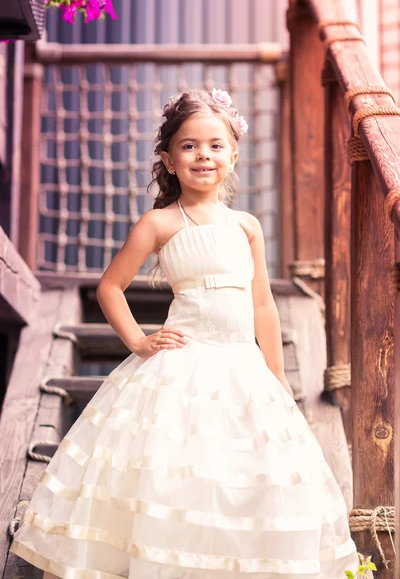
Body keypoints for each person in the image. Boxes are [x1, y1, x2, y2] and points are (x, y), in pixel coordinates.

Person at [11, 88, 364, 579]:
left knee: (246, 477)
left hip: (243, 367)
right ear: (169, 159)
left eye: (216, 145)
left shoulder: (246, 227)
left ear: (234, 155)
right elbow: (111, 286)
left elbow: (261, 302)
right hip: (182, 365)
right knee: (172, 476)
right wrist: (137, 340)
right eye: (190, 145)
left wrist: (277, 374)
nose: (204, 155)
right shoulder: (159, 223)